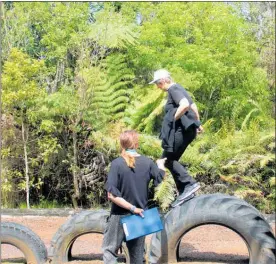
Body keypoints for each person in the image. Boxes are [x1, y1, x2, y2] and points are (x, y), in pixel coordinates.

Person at [102, 130, 166, 264]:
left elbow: (112, 195)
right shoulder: (147, 163)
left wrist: (131, 208)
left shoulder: (117, 164)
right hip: (139, 215)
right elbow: (160, 178)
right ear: (136, 144)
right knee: (137, 256)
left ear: (121, 144)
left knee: (109, 251)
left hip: (119, 215)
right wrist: (160, 165)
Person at [149, 69, 203, 207]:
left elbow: (185, 105)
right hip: (188, 130)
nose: (157, 86)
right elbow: (193, 106)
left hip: (181, 131)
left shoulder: (173, 89)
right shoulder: (180, 88)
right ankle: (184, 190)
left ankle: (189, 185)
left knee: (166, 159)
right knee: (169, 160)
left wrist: (172, 119)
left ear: (164, 80)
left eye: (157, 83)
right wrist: (198, 123)